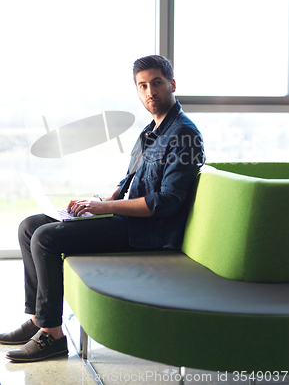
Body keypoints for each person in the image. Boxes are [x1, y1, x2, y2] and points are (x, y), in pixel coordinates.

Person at [0, 55, 205, 362]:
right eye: (143, 86)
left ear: (172, 85)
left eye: (157, 83)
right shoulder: (150, 132)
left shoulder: (184, 135)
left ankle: (52, 335)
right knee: (28, 226)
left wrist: (104, 207)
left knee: (45, 238)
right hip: (127, 218)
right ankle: (37, 320)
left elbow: (164, 203)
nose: (151, 92)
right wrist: (94, 202)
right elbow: (130, 184)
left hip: (149, 232)